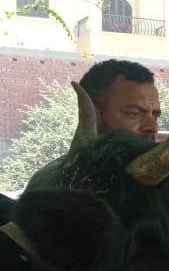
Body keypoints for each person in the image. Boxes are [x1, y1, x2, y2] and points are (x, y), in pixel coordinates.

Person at [27, 59, 161, 189]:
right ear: (95, 115)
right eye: (133, 113)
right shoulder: (51, 183)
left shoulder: (167, 183)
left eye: (156, 116)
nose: (153, 127)